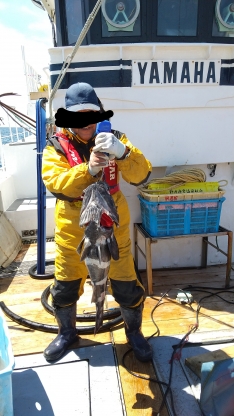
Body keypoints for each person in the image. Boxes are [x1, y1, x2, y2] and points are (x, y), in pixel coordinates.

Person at [42, 82, 152, 362]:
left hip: (113, 228)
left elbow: (141, 176)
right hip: (73, 230)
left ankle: (134, 333)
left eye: (90, 114)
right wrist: (88, 169)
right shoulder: (56, 146)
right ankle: (67, 332)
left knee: (126, 285)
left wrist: (123, 153)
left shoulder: (117, 138)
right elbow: (57, 184)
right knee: (65, 287)